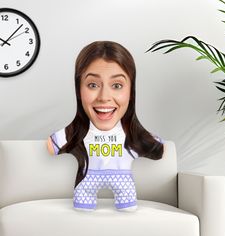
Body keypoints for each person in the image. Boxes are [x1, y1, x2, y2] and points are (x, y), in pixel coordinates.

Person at [47, 41, 164, 211]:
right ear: (79, 90)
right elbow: (50, 147)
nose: (104, 97)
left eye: (117, 86)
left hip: (123, 181)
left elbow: (159, 149)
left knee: (128, 207)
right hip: (87, 182)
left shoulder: (134, 135)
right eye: (92, 85)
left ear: (131, 91)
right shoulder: (73, 133)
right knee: (82, 208)